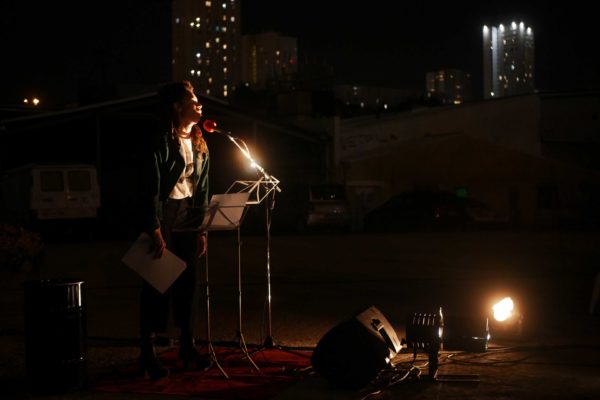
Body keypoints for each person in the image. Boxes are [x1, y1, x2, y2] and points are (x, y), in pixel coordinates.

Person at [137, 80, 211, 380]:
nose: (199, 104)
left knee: (189, 282)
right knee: (157, 283)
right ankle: (148, 352)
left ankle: (187, 346)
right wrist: (154, 226)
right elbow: (149, 187)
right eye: (193, 100)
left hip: (189, 216)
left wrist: (202, 228)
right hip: (164, 214)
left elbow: (203, 187)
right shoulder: (161, 140)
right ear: (177, 106)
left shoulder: (199, 141)